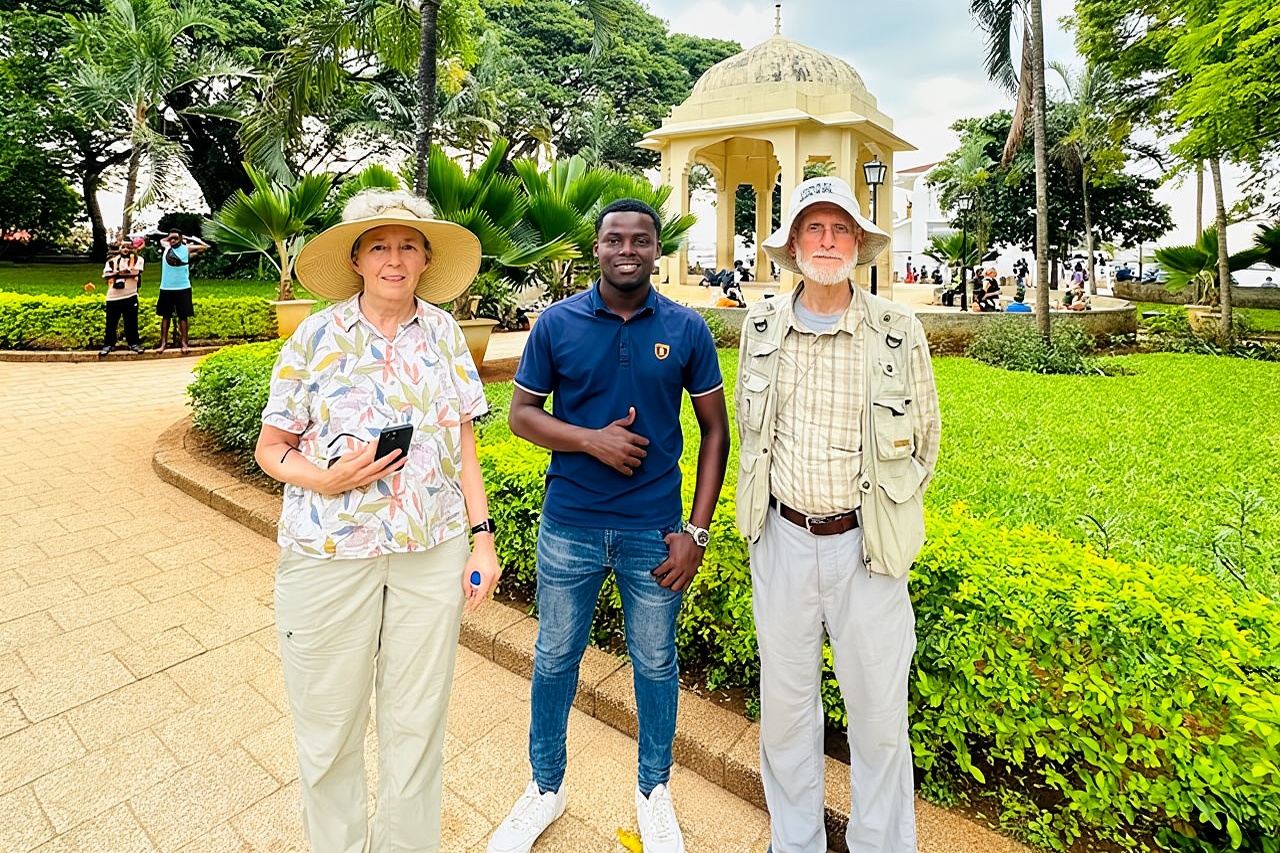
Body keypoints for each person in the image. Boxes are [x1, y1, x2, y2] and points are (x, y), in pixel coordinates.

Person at [253, 189, 499, 853]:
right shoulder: (315, 334)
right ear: (357, 258)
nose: (396, 258)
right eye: (380, 245)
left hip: (432, 549)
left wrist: (483, 538)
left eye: (409, 244)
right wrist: (325, 477)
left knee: (417, 723)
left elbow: (462, 442)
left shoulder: (444, 332)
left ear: (425, 259)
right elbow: (271, 449)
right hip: (329, 553)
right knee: (328, 725)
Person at [491, 199, 730, 853]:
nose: (628, 248)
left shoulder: (686, 328)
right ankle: (545, 787)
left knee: (655, 662)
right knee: (554, 658)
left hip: (653, 534)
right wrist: (590, 441)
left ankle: (653, 793)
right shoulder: (557, 323)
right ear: (596, 249)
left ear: (658, 251)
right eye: (614, 238)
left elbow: (716, 431)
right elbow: (520, 414)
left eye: (641, 239)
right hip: (569, 524)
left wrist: (696, 532)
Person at [742, 176, 941, 852]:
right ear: (794, 244)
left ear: (857, 243)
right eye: (813, 228)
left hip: (868, 551)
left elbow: (926, 440)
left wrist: (884, 508)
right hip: (783, 541)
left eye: (839, 229)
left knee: (879, 716)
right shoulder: (762, 324)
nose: (826, 241)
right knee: (786, 714)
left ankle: (879, 843)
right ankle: (794, 842)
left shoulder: (896, 330)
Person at [155, 229, 208, 353]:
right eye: (170, 238)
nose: (172, 240)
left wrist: (191, 239)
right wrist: (170, 237)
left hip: (183, 287)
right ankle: (163, 343)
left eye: (175, 238)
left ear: (181, 238)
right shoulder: (166, 247)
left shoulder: (186, 249)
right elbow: (162, 240)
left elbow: (205, 247)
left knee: (183, 316)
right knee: (165, 316)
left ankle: (184, 343)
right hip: (166, 287)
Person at [99, 239, 146, 356]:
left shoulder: (138, 260)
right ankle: (109, 344)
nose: (125, 249)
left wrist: (116, 273)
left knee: (131, 322)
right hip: (113, 296)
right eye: (123, 247)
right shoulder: (111, 261)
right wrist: (122, 272)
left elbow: (136, 272)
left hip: (130, 294)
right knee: (111, 323)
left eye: (128, 247)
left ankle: (133, 343)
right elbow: (105, 275)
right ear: (119, 248)